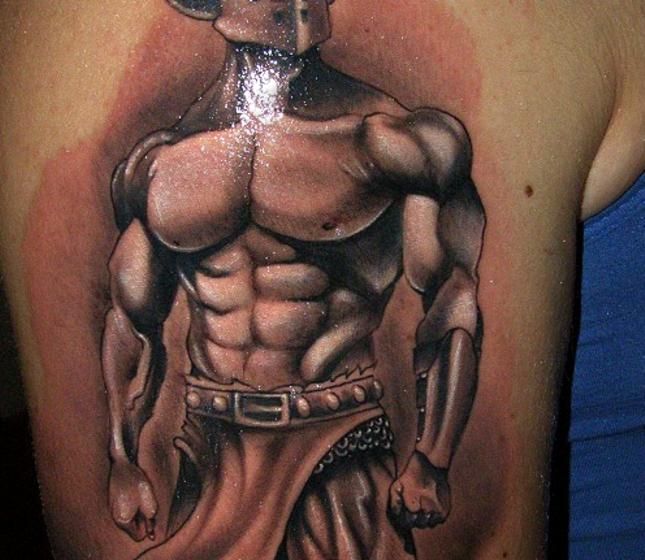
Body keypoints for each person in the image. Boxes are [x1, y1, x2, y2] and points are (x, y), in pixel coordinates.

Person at [0, 1, 642, 558]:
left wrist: (432, 457)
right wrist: (121, 458)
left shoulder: (391, 144)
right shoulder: (157, 165)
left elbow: (452, 302)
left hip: (338, 447)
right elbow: (129, 319)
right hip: (207, 448)